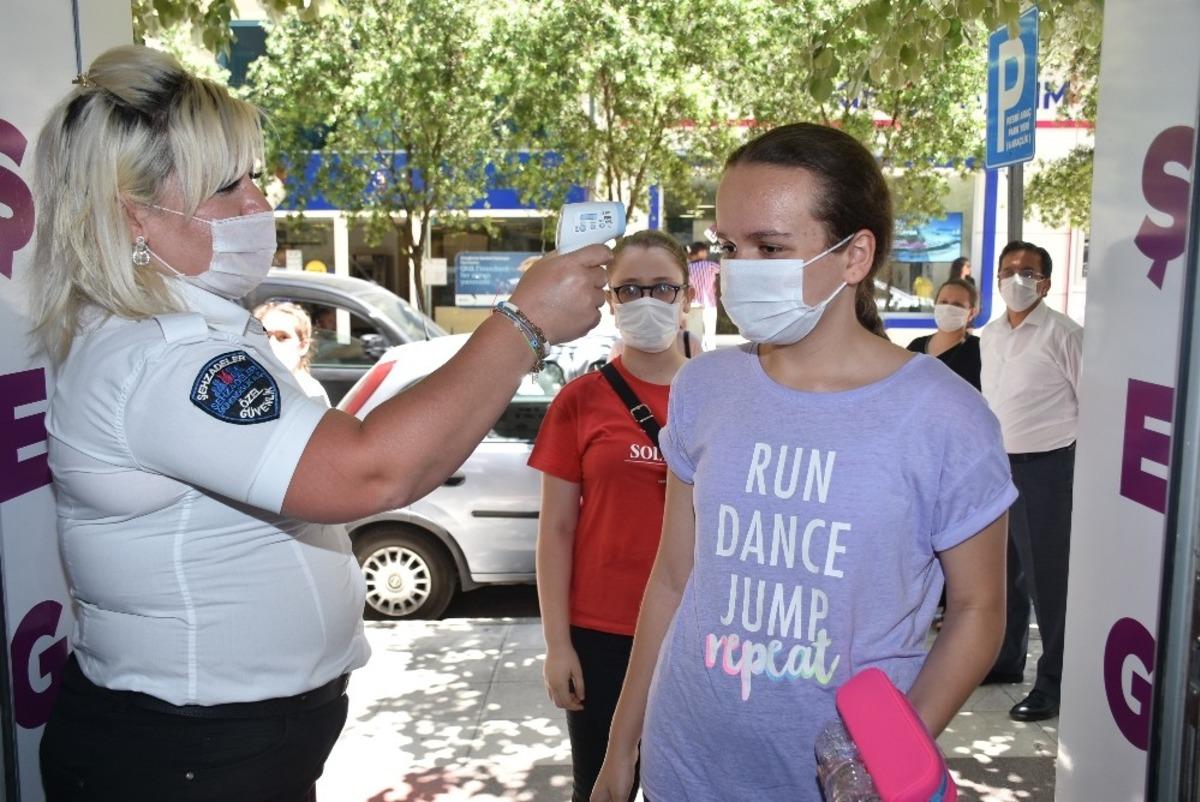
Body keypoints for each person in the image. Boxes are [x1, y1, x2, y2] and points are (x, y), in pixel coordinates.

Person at [30, 45, 608, 802]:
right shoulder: (161, 360)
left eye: (254, 179)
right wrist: (523, 324)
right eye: (225, 187)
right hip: (186, 755)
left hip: (223, 745)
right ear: (134, 214)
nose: (258, 206)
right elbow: (367, 470)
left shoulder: (186, 334)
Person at [589, 122, 1017, 802]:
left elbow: (978, 609)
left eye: (771, 246)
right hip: (687, 761)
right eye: (730, 245)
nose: (739, 267)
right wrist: (622, 745)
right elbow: (673, 579)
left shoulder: (946, 417)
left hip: (838, 782)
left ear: (855, 256)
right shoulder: (705, 386)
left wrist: (888, 761)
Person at [530, 229, 692, 802]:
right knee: (602, 787)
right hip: (600, 635)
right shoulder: (579, 401)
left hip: (696, 634)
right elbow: (555, 530)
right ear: (610, 301)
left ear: (687, 296)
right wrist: (557, 644)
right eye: (629, 289)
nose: (646, 301)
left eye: (662, 288)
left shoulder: (724, 395)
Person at [979, 240, 1083, 723]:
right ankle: (1004, 661)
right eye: (1008, 270)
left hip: (1047, 469)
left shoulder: (1064, 334)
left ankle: (1054, 683)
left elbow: (1092, 404)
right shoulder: (992, 334)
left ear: (1045, 281)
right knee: (1004, 573)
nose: (1015, 279)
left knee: (1048, 582)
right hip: (1000, 467)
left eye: (1027, 271)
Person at [906, 277, 981, 391]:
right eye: (943, 302)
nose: (948, 309)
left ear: (971, 313)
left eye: (957, 305)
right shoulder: (916, 346)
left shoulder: (979, 350)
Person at [254, 301, 330, 405]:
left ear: (303, 346)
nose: (271, 344)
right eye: (265, 336)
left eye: (283, 337)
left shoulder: (311, 396)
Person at [685, 241, 721, 350]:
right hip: (709, 303)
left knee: (695, 333)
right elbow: (722, 269)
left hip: (694, 304)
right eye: (705, 251)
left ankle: (696, 353)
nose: (707, 253)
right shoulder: (709, 265)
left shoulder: (688, 268)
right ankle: (710, 354)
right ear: (700, 252)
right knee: (710, 333)